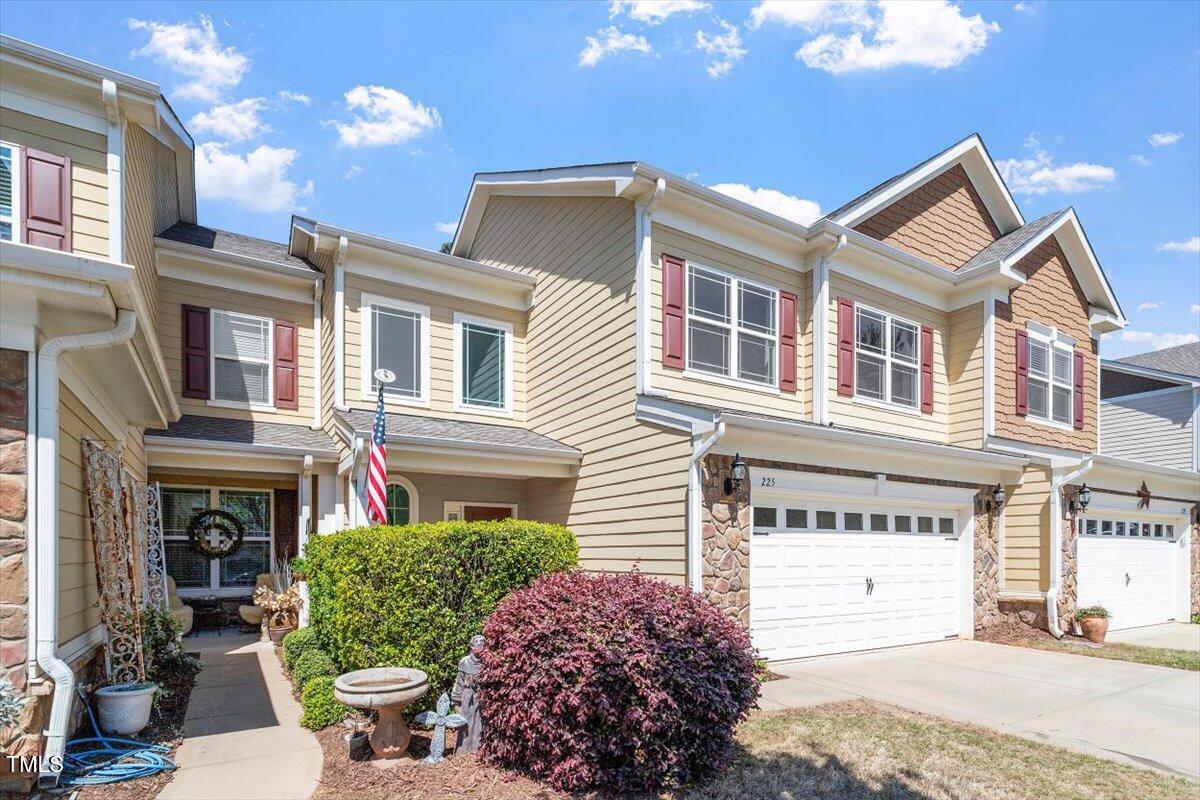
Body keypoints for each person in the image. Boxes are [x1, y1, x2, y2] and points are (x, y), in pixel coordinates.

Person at [450, 635, 484, 752]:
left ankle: (477, 749)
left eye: (482, 645)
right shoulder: (465, 662)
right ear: (472, 647)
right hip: (467, 697)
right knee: (466, 723)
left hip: (481, 697)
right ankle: (463, 750)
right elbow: (459, 683)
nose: (480, 647)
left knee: (480, 723)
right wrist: (456, 701)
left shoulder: (487, 663)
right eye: (477, 645)